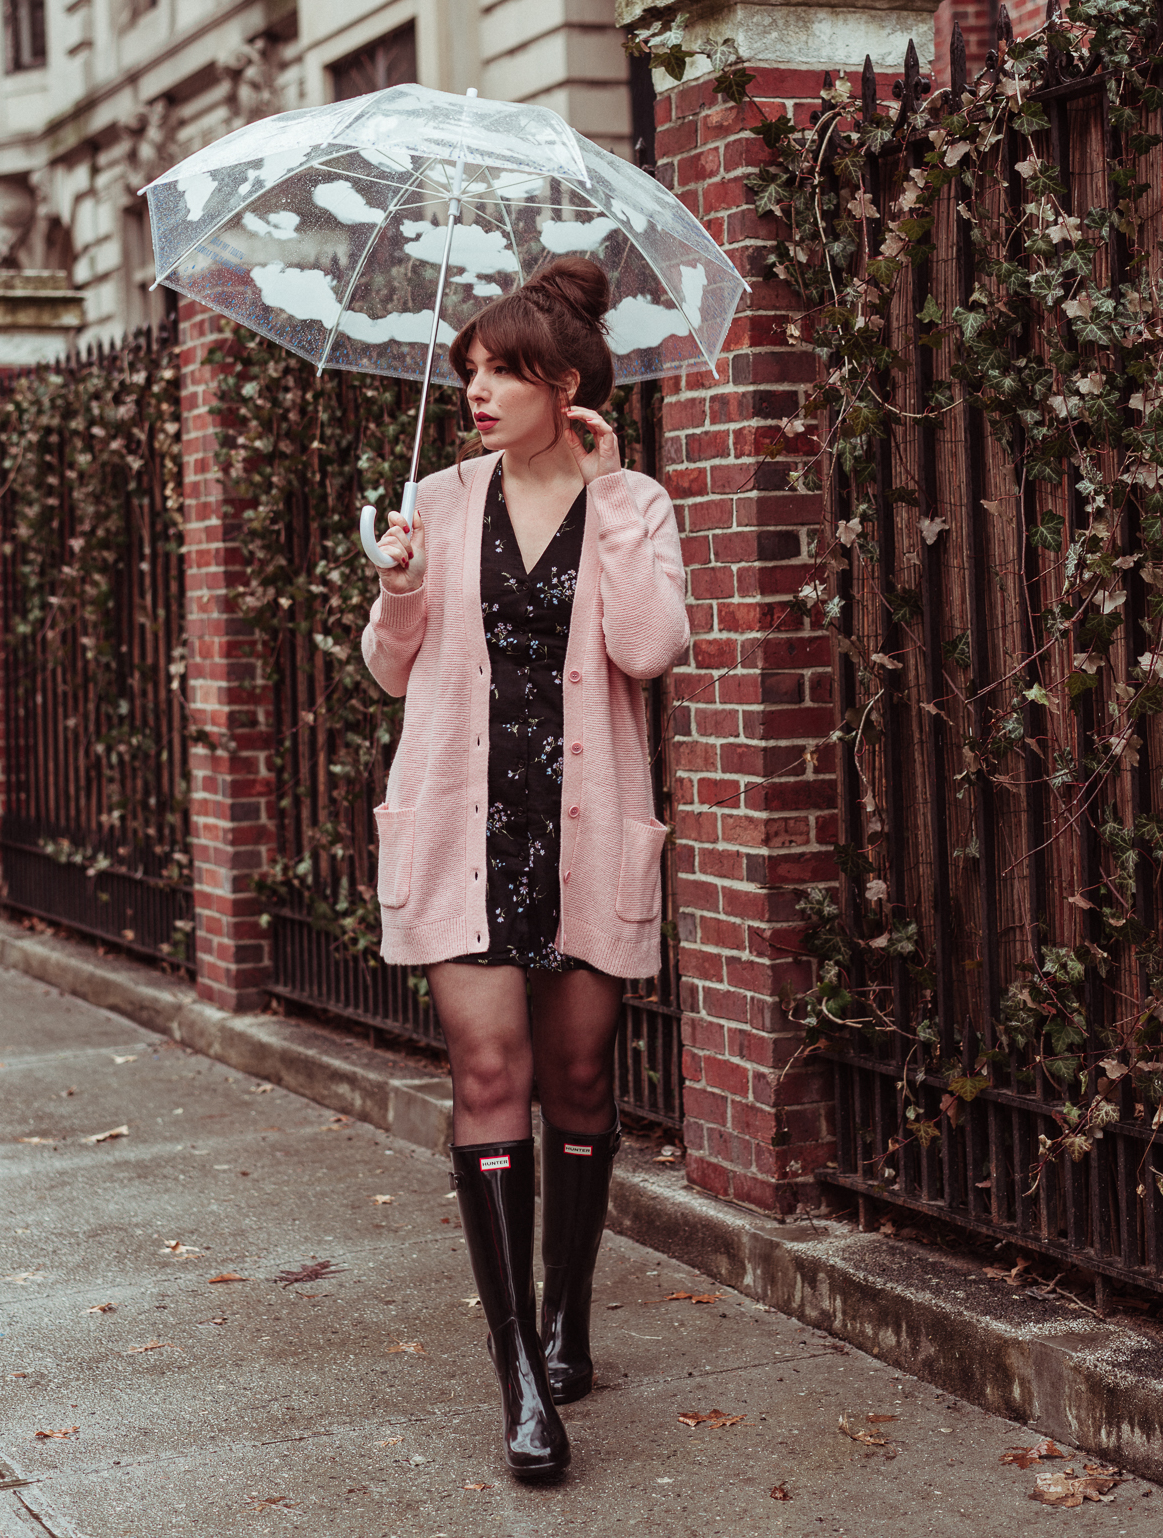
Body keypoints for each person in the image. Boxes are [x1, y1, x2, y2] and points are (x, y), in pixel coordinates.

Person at [360, 256, 689, 1483]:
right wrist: (396, 590)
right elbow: (390, 670)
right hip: (466, 828)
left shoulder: (634, 500)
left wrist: (606, 502)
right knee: (488, 1069)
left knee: (580, 1075)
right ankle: (518, 1378)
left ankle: (569, 1312)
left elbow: (648, 647)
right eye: (468, 374)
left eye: (502, 371)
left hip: (581, 830)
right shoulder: (437, 501)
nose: (477, 393)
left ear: (566, 385)